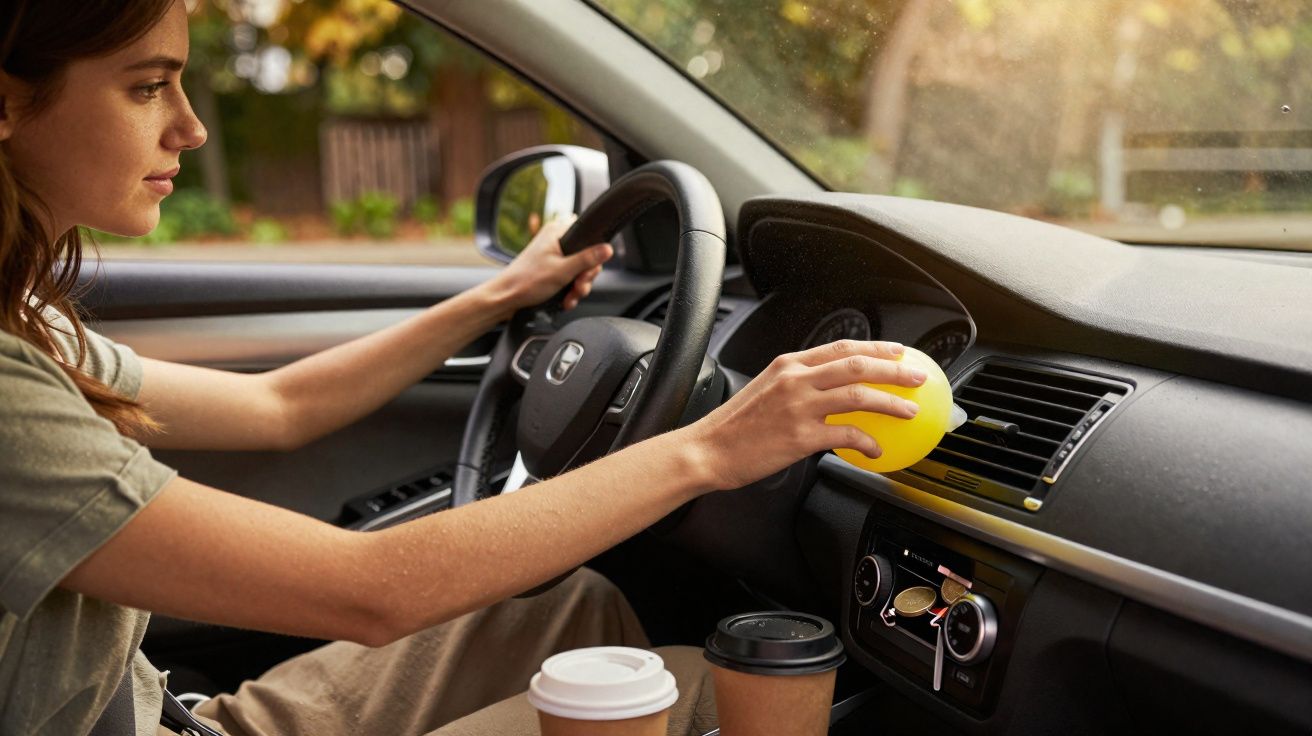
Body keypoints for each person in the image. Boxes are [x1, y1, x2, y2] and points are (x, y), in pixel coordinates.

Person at [0, 2, 927, 735]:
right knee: (702, 691)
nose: (192, 128)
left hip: (167, 718)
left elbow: (279, 405)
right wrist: (710, 449)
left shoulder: (29, 326)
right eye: (147, 87)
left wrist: (494, 299)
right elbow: (367, 590)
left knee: (572, 612)